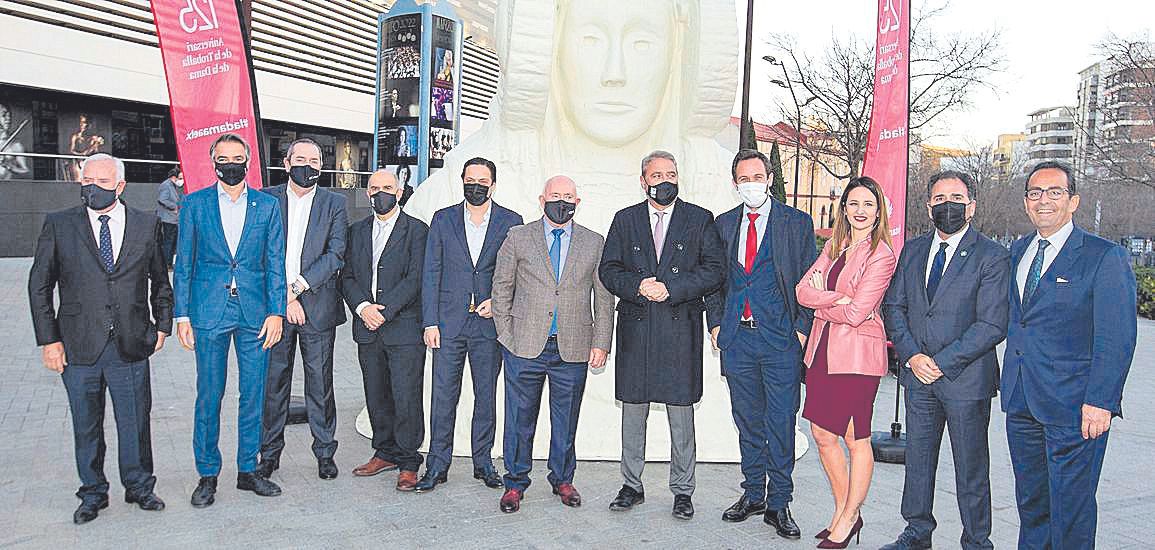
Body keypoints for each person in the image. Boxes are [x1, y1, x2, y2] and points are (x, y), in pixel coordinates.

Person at [28, 153, 172, 524]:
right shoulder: (60, 224)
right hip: (78, 346)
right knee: (86, 423)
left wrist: (163, 325)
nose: (92, 188)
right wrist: (49, 340)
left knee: (135, 421)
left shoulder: (145, 224)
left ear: (120, 186)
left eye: (102, 183)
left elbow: (160, 279)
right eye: (87, 181)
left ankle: (139, 486)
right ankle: (92, 492)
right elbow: (39, 285)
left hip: (130, 342)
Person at [1002, 161, 1136, 549]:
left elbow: (1117, 337)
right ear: (1027, 203)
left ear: (1073, 201)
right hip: (1022, 401)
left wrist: (1101, 401)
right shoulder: (1018, 251)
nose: (1043, 200)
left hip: (1076, 407)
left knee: (1071, 510)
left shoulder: (1103, 256)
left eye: (1054, 192)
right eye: (1035, 193)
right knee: (1032, 506)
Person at [880, 171, 1011, 550]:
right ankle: (917, 532)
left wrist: (940, 361)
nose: (946, 204)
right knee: (918, 461)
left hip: (965, 380)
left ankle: (976, 540)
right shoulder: (914, 250)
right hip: (918, 378)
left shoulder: (992, 255)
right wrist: (912, 355)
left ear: (971, 205)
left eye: (955, 197)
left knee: (971, 467)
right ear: (928, 206)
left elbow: (991, 324)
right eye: (938, 198)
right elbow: (895, 305)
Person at [598, 151, 726, 521]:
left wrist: (671, 287)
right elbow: (609, 270)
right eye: (657, 174)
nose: (665, 180)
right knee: (633, 412)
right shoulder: (625, 219)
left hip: (679, 327)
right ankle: (631, 485)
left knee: (681, 414)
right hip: (637, 329)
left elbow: (714, 271)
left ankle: (683, 490)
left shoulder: (699, 219)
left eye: (671, 173)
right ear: (644, 180)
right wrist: (639, 285)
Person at [704, 149, 817, 537]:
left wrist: (801, 330)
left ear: (769, 179)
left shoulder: (796, 224)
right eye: (743, 177)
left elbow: (809, 281)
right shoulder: (722, 225)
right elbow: (715, 281)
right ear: (735, 183)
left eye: (757, 175)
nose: (750, 183)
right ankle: (753, 493)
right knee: (748, 420)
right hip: (738, 340)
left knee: (781, 422)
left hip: (781, 341)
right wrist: (716, 323)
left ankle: (779, 502)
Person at [174, 133, 286, 507]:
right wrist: (182, 315)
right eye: (224, 158)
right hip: (209, 312)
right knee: (210, 394)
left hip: (255, 313)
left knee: (253, 394)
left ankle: (247, 470)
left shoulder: (267, 207)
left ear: (249, 161)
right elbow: (183, 264)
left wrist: (276, 312)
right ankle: (207, 474)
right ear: (213, 162)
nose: (231, 164)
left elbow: (275, 263)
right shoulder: (194, 204)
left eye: (238, 157)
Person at [491, 174, 613, 513]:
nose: (563, 201)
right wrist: (506, 334)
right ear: (541, 199)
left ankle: (562, 478)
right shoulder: (518, 237)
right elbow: (501, 287)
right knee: (519, 418)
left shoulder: (594, 242)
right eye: (556, 195)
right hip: (524, 346)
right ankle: (515, 482)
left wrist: (601, 341)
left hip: (572, 346)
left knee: (566, 419)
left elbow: (603, 298)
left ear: (578, 201)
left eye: (569, 196)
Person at [795, 176, 897, 549]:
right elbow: (802, 291)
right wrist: (834, 299)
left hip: (856, 359)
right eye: (853, 203)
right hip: (823, 353)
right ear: (844, 208)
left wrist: (828, 299)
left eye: (868, 204)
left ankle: (850, 516)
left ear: (878, 210)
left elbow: (857, 313)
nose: (860, 210)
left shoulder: (880, 254)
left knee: (856, 439)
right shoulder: (834, 246)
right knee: (822, 435)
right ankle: (844, 511)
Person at [415, 157, 523, 492]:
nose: (475, 185)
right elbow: (431, 272)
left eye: (482, 180)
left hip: (488, 328)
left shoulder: (511, 221)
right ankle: (436, 465)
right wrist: (429, 321)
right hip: (447, 324)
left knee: (486, 397)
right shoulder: (443, 218)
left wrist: (500, 303)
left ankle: (483, 462)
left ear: (493, 184)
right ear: (462, 181)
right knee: (443, 397)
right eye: (470, 179)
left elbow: (518, 273)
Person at [256, 138, 349, 482]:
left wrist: (296, 290)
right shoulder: (264, 199)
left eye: (314, 160)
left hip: (317, 309)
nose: (307, 165)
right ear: (286, 162)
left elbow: (335, 254)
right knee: (273, 383)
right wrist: (282, 300)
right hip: (275, 312)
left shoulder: (334, 203)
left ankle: (325, 453)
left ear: (321, 167)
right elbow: (258, 254)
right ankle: (269, 455)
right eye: (300, 159)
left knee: (319, 383)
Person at [340, 169, 428, 491]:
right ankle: (384, 452)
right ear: (367, 193)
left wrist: (386, 311)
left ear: (400, 191)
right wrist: (363, 308)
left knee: (406, 396)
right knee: (376, 394)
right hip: (367, 327)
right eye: (374, 188)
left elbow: (416, 278)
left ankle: (408, 461)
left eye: (387, 188)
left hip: (403, 328)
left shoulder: (418, 231)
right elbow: (347, 276)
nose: (381, 193)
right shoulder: (356, 231)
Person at [156, 167, 183, 267]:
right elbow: (162, 199)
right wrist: (174, 207)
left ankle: (168, 262)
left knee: (171, 241)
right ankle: (166, 263)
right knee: (169, 241)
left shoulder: (171, 185)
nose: (181, 181)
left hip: (172, 219)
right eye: (180, 178)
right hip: (168, 219)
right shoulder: (166, 185)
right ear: (173, 177)